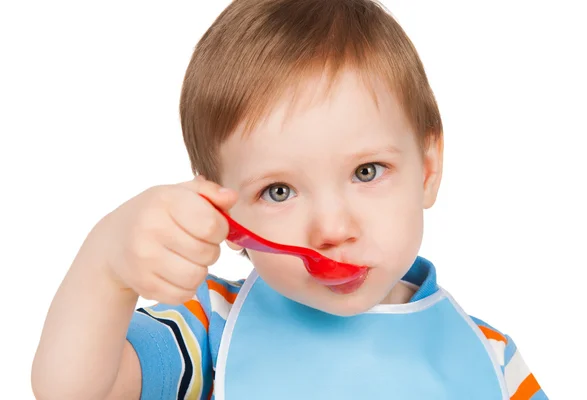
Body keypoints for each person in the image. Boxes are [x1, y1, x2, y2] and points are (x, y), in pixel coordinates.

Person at [31, 0, 548, 399]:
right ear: (223, 213)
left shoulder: (492, 359)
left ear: (428, 170)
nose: (332, 227)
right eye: (279, 191)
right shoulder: (209, 324)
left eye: (367, 172)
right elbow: (77, 390)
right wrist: (106, 268)